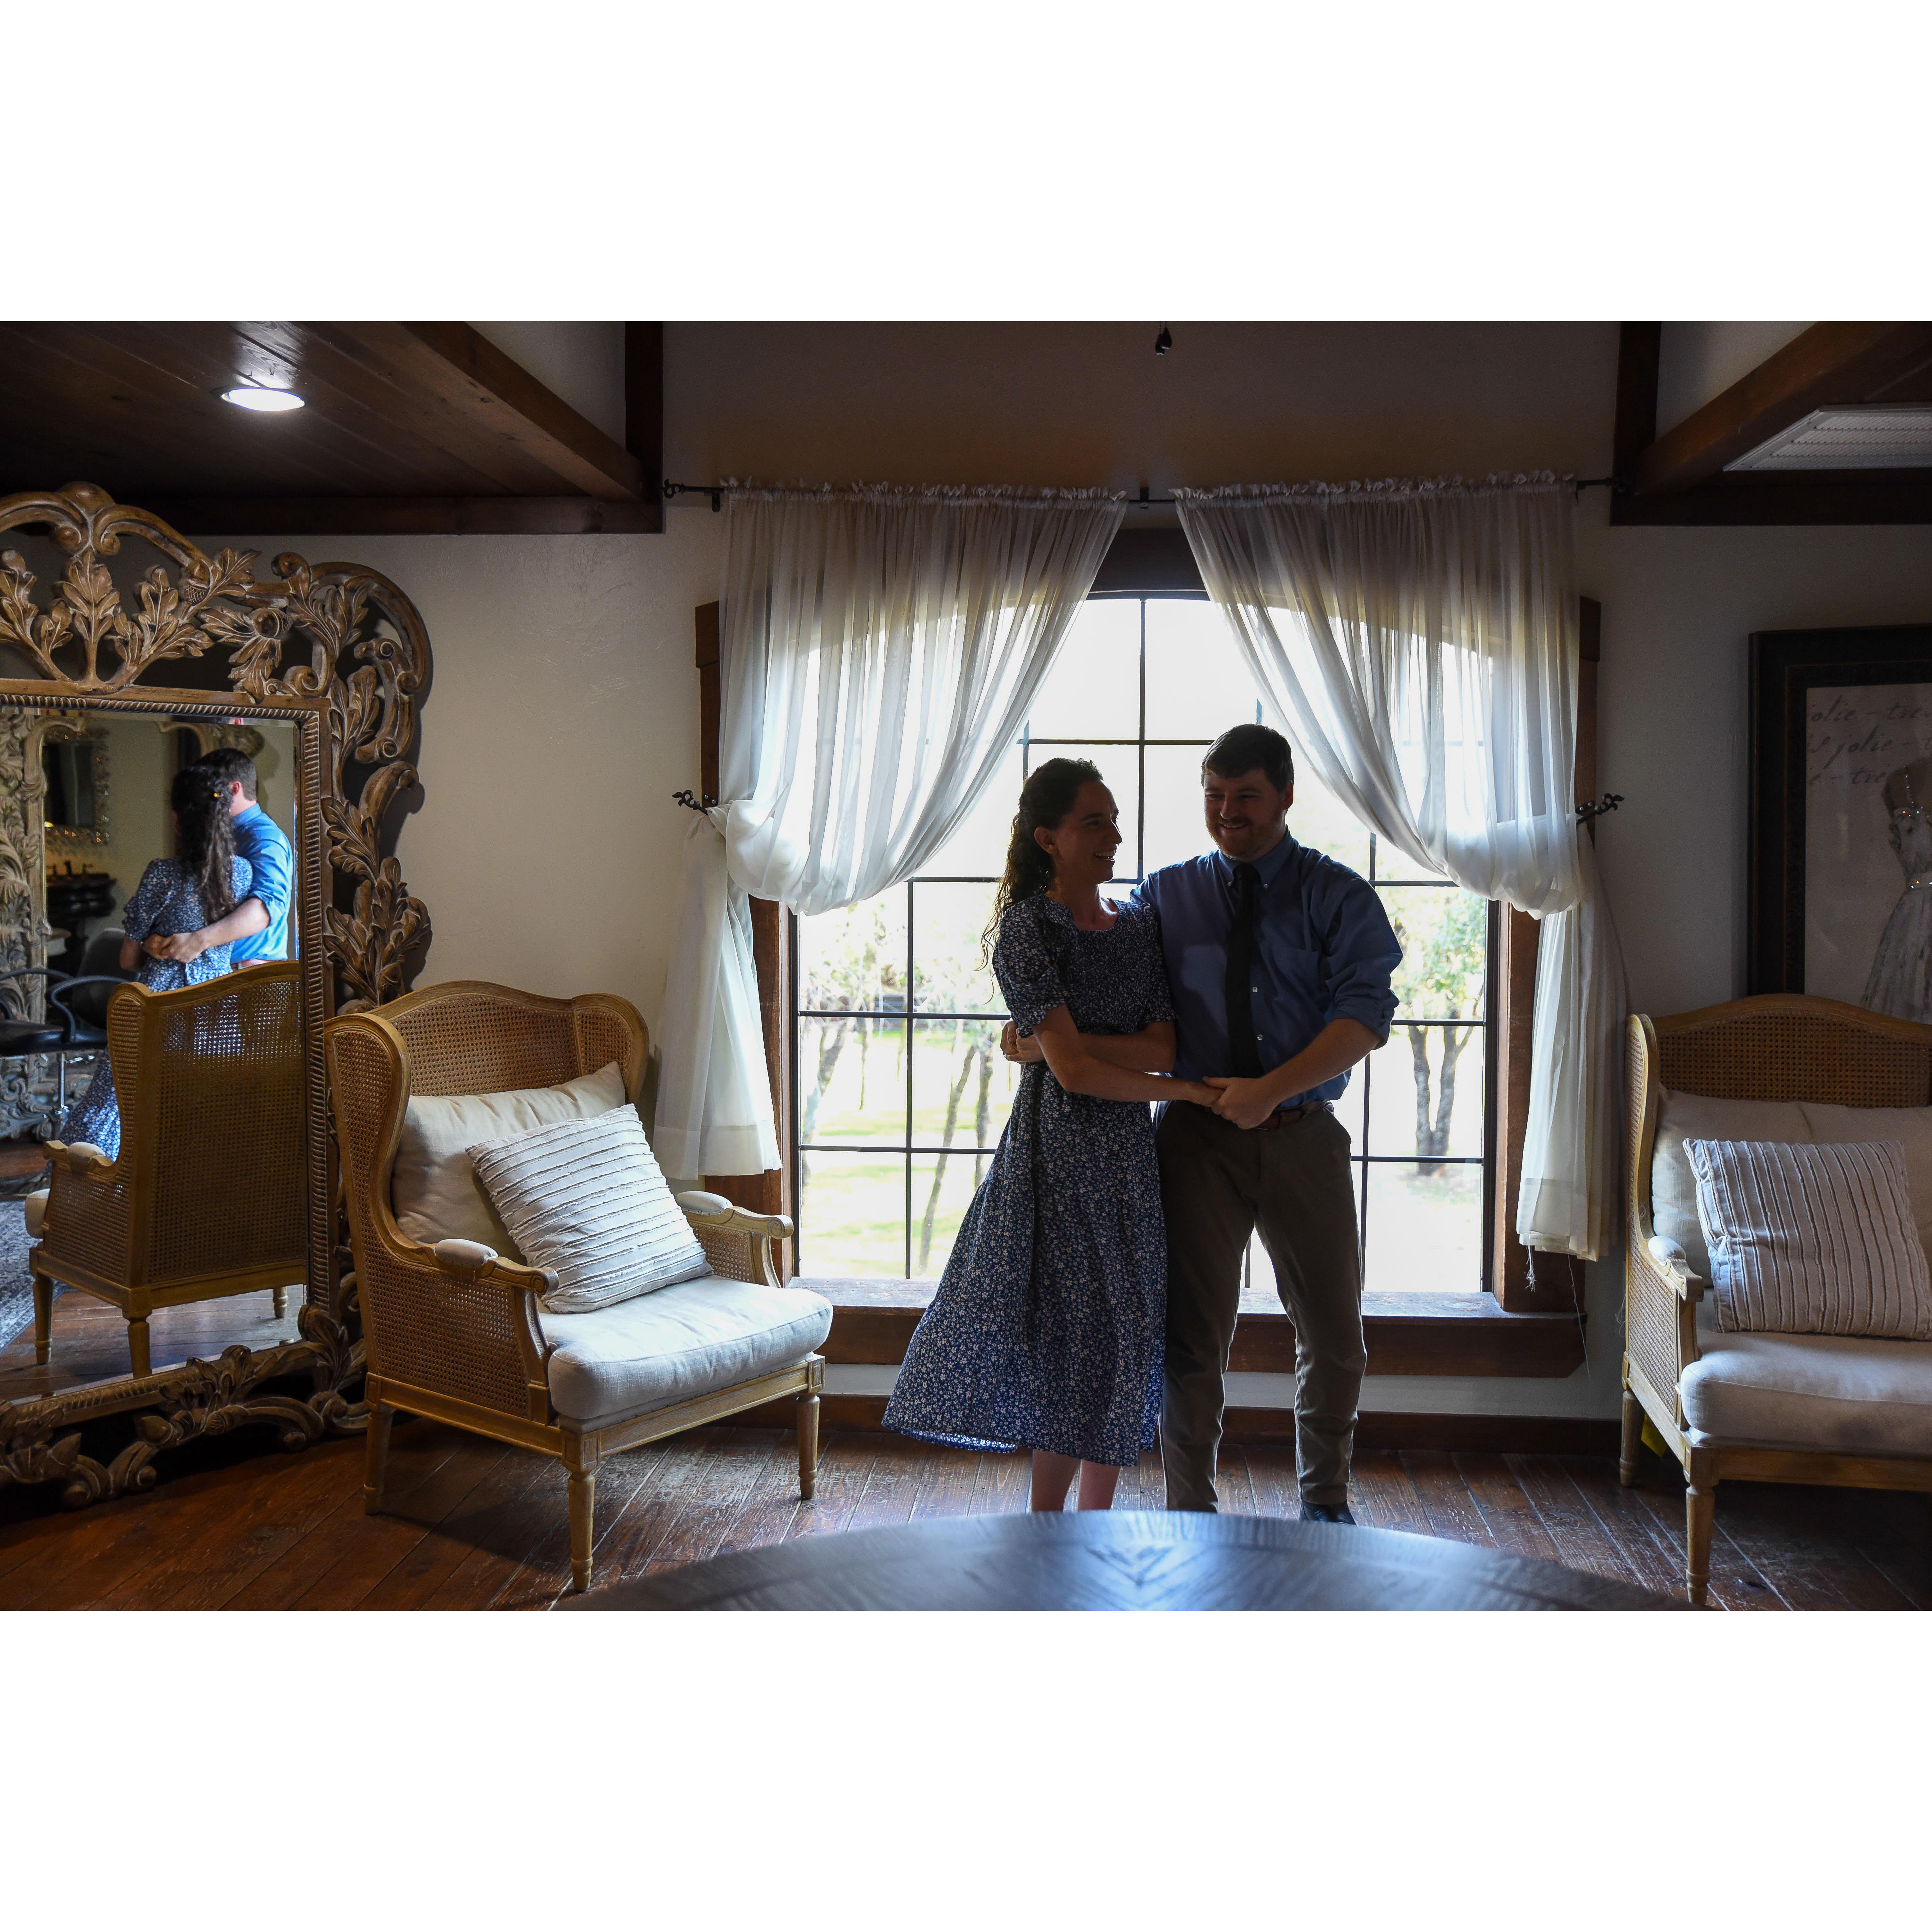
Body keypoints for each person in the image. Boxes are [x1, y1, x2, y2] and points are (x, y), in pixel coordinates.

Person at [1006, 722, 1401, 1522]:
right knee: (1191, 1341)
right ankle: (1189, 1513)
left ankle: (1326, 1508)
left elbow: (1365, 1017)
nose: (1227, 812)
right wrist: (1037, 1037)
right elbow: (1095, 968)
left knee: (1334, 1337)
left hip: (1303, 1136)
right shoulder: (1165, 896)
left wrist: (1269, 1090)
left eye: (1245, 796)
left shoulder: (1339, 895)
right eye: (1214, 796)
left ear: (1285, 795)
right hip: (1192, 1144)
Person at [882, 758, 1220, 1511]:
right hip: (1057, 1155)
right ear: (1048, 838)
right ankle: (1045, 1526)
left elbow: (1158, 1046)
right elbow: (1079, 1075)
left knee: (1124, 1335)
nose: (1113, 835)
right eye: (1093, 822)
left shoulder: (1139, 925)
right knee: (1070, 1343)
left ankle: (1093, 1527)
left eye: (1114, 820)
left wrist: (1047, 1044)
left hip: (1128, 1155)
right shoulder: (1028, 927)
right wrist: (1182, 1089)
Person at [57, 766, 254, 1161]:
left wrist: (150, 944)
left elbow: (127, 959)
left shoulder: (163, 875)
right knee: (204, 1109)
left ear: (178, 818)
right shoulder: (243, 873)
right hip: (218, 1012)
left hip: (157, 1008)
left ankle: (91, 1184)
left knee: (113, 1104)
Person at [141, 748, 293, 971]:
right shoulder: (213, 836)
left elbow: (266, 908)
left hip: (245, 974)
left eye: (214, 790)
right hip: (214, 970)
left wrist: (198, 941)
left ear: (234, 789)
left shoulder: (263, 837)